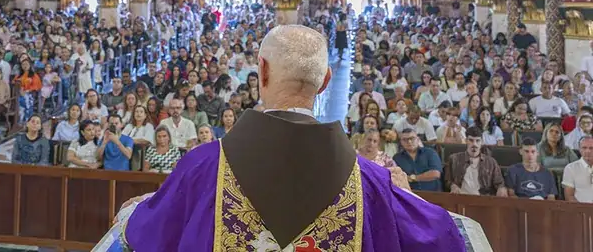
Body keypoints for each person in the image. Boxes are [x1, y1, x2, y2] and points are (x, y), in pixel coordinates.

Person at [99, 25, 473, 251]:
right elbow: (444, 236)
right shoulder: (372, 184)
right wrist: (404, 196)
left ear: (261, 70)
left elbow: (146, 232)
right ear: (326, 80)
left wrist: (142, 205)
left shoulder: (201, 169)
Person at [446, 127, 507, 196]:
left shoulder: (491, 162)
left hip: (483, 200)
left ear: (482, 142)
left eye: (477, 141)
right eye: (471, 140)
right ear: (466, 140)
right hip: (460, 198)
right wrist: (452, 185)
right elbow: (447, 180)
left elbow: (499, 183)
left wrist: (501, 189)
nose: (474, 144)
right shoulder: (454, 159)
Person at [563, 136, 593, 203]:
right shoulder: (570, 168)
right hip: (580, 211)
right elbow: (569, 197)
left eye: (591, 148)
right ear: (579, 149)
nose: (588, 151)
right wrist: (582, 211)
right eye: (584, 148)